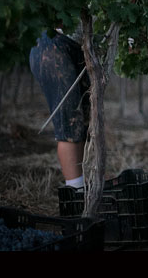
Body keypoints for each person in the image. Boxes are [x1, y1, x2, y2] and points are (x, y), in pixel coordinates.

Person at [29, 25, 90, 190]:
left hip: (82, 49)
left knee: (85, 124)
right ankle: (75, 191)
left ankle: (84, 186)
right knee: (70, 124)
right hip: (53, 46)